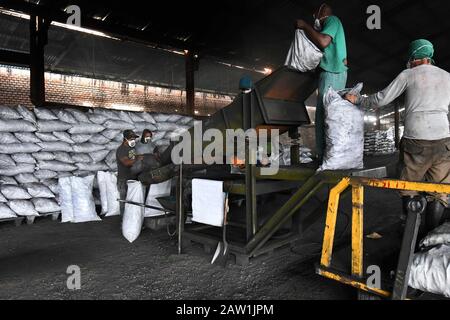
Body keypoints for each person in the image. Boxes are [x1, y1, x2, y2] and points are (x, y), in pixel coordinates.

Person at [345, 39, 450, 233]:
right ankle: (427, 237)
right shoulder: (447, 76)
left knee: (408, 185)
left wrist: (358, 99)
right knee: (439, 190)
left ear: (413, 57)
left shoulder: (409, 74)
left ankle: (411, 232)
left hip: (416, 140)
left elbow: (381, 99)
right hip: (443, 140)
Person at [296, 3, 348, 162]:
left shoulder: (332, 20)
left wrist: (305, 26)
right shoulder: (332, 26)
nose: (315, 21)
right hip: (332, 73)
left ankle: (326, 155)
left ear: (320, 14)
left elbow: (323, 41)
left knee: (326, 115)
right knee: (328, 115)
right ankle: (329, 154)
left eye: (315, 17)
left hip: (333, 73)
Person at [116, 129, 142, 214]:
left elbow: (132, 159)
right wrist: (138, 159)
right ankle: (124, 222)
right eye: (131, 139)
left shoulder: (132, 148)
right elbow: (126, 163)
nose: (133, 141)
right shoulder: (121, 150)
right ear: (125, 139)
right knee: (124, 202)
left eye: (134, 139)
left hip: (132, 178)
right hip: (123, 180)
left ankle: (133, 222)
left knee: (133, 201)